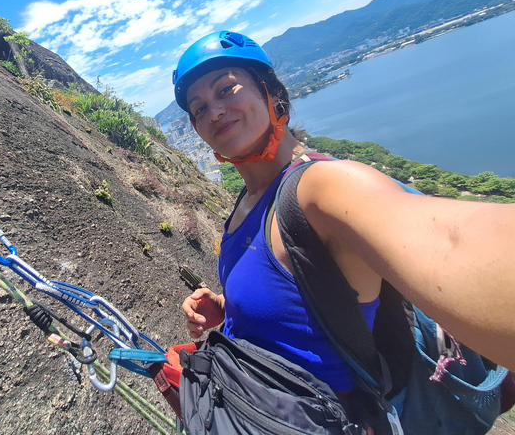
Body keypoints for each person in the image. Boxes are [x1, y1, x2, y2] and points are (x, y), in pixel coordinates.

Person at [176, 30, 515, 383]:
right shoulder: (248, 202)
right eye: (199, 108)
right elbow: (294, 302)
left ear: (270, 91)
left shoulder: (324, 189)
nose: (214, 111)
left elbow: (451, 243)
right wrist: (229, 307)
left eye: (226, 88)